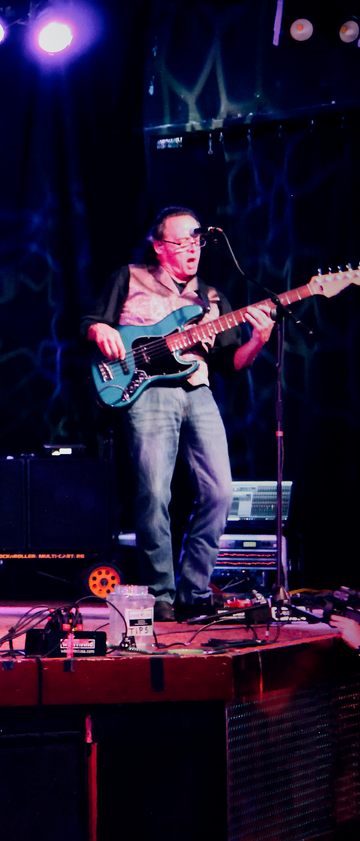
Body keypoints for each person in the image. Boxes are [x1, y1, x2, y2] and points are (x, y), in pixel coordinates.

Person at [81, 207, 274, 623]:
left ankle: (195, 591)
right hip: (145, 392)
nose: (192, 249)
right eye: (182, 242)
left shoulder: (212, 299)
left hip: (198, 390)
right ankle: (160, 594)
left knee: (220, 493)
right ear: (159, 246)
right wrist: (102, 329)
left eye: (197, 241)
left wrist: (259, 339)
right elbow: (90, 323)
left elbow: (232, 363)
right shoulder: (129, 277)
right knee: (154, 494)